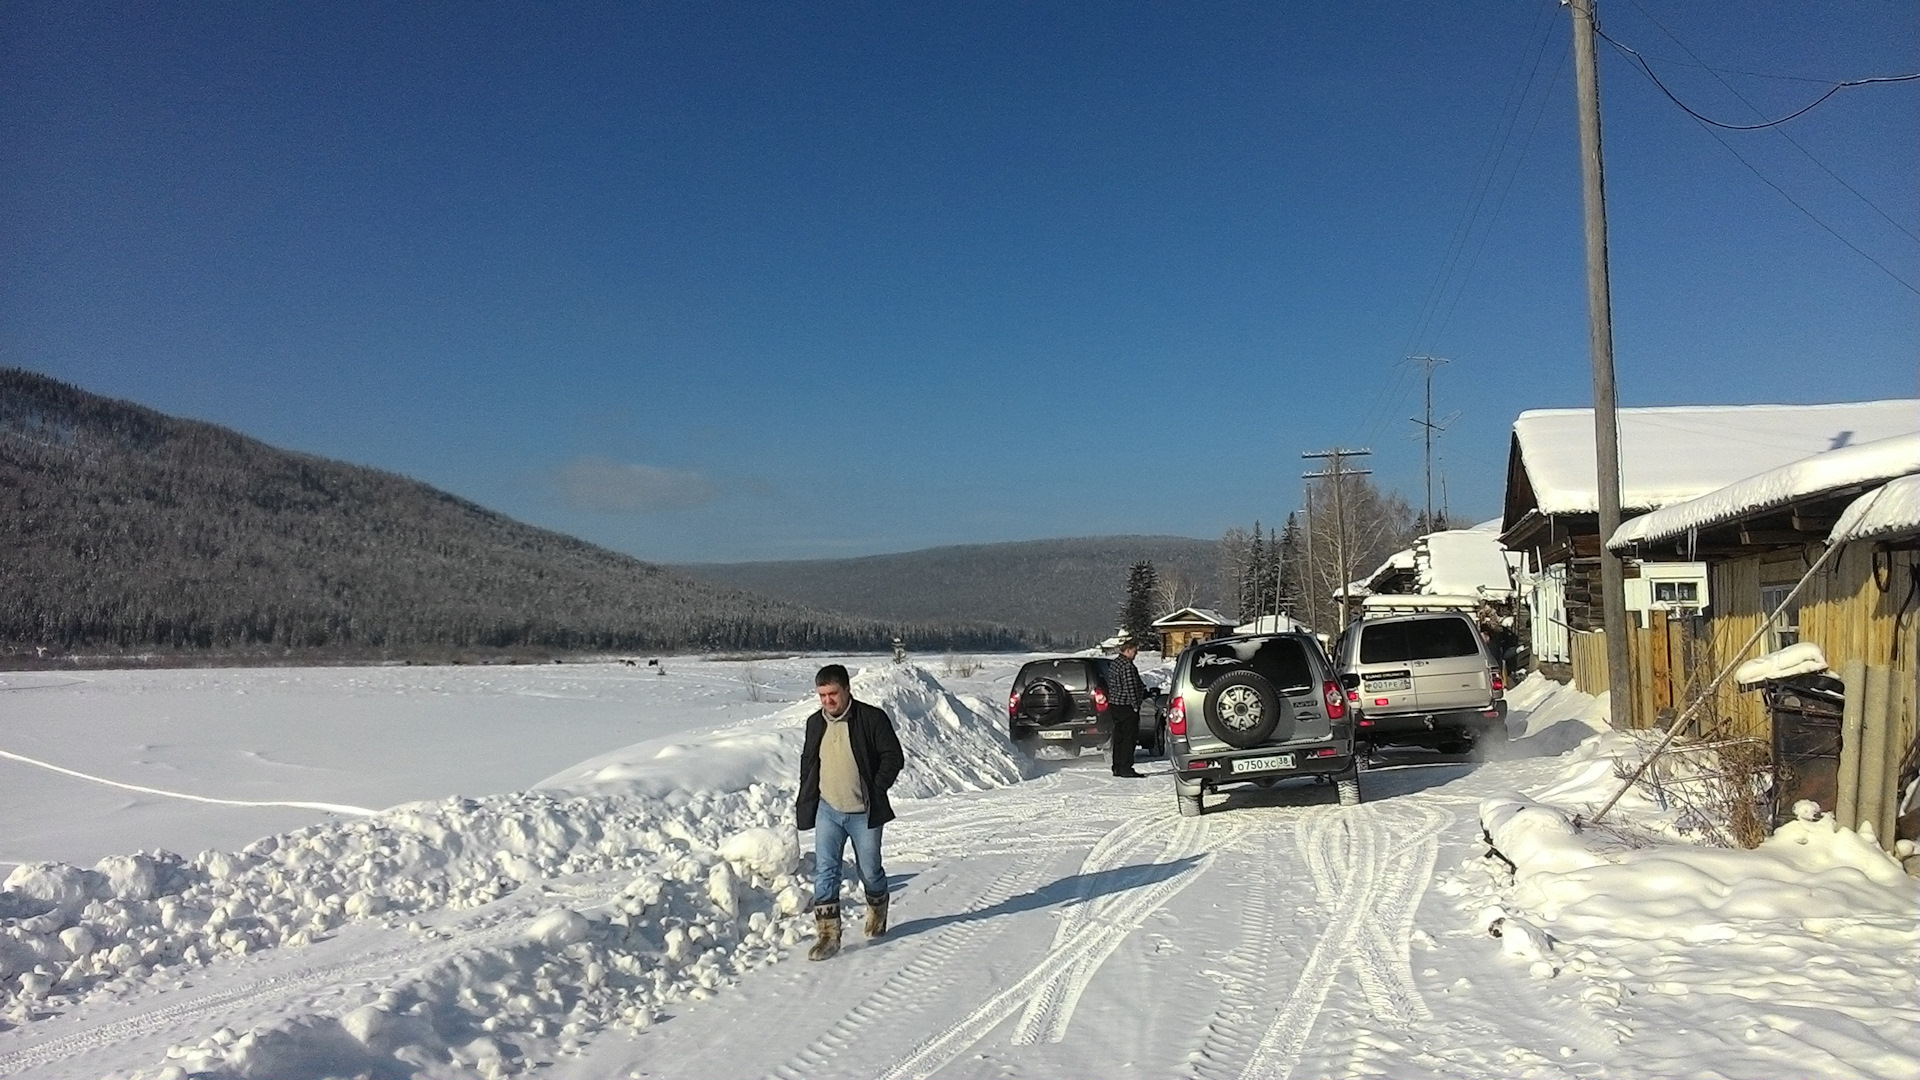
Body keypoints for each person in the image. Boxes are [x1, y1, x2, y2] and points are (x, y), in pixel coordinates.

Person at [795, 663, 905, 961]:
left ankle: (878, 904)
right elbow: (809, 763)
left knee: (869, 870)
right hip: (828, 809)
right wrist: (807, 800)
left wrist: (876, 787)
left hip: (863, 813)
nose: (828, 701)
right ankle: (828, 936)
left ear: (847, 690)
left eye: (833, 693)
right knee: (825, 870)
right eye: (822, 695)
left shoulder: (871, 719)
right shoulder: (814, 723)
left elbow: (893, 757)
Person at [1105, 637, 1147, 778]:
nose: (1136, 654)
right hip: (1126, 706)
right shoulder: (1127, 666)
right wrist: (1135, 705)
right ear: (1128, 650)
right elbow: (1131, 687)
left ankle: (1117, 766)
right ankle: (1126, 767)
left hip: (1115, 704)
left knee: (1119, 737)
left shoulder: (1115, 664)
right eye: (1134, 651)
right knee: (1129, 738)